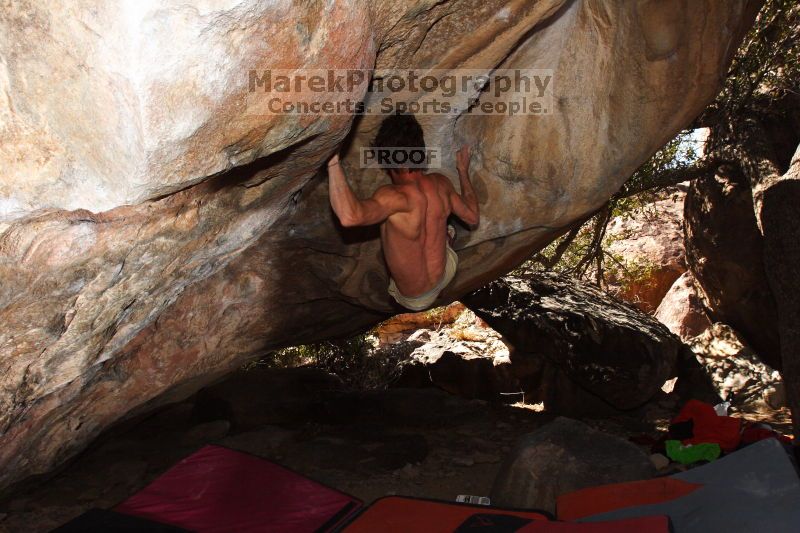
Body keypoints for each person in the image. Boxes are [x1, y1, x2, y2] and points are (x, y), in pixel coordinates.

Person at [327, 113, 479, 311]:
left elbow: (349, 216)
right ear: (420, 152)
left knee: (393, 226)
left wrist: (332, 160)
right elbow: (472, 217)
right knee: (440, 225)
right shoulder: (442, 184)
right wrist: (462, 170)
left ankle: (445, 236)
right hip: (445, 273)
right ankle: (446, 236)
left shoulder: (392, 197)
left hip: (414, 299)